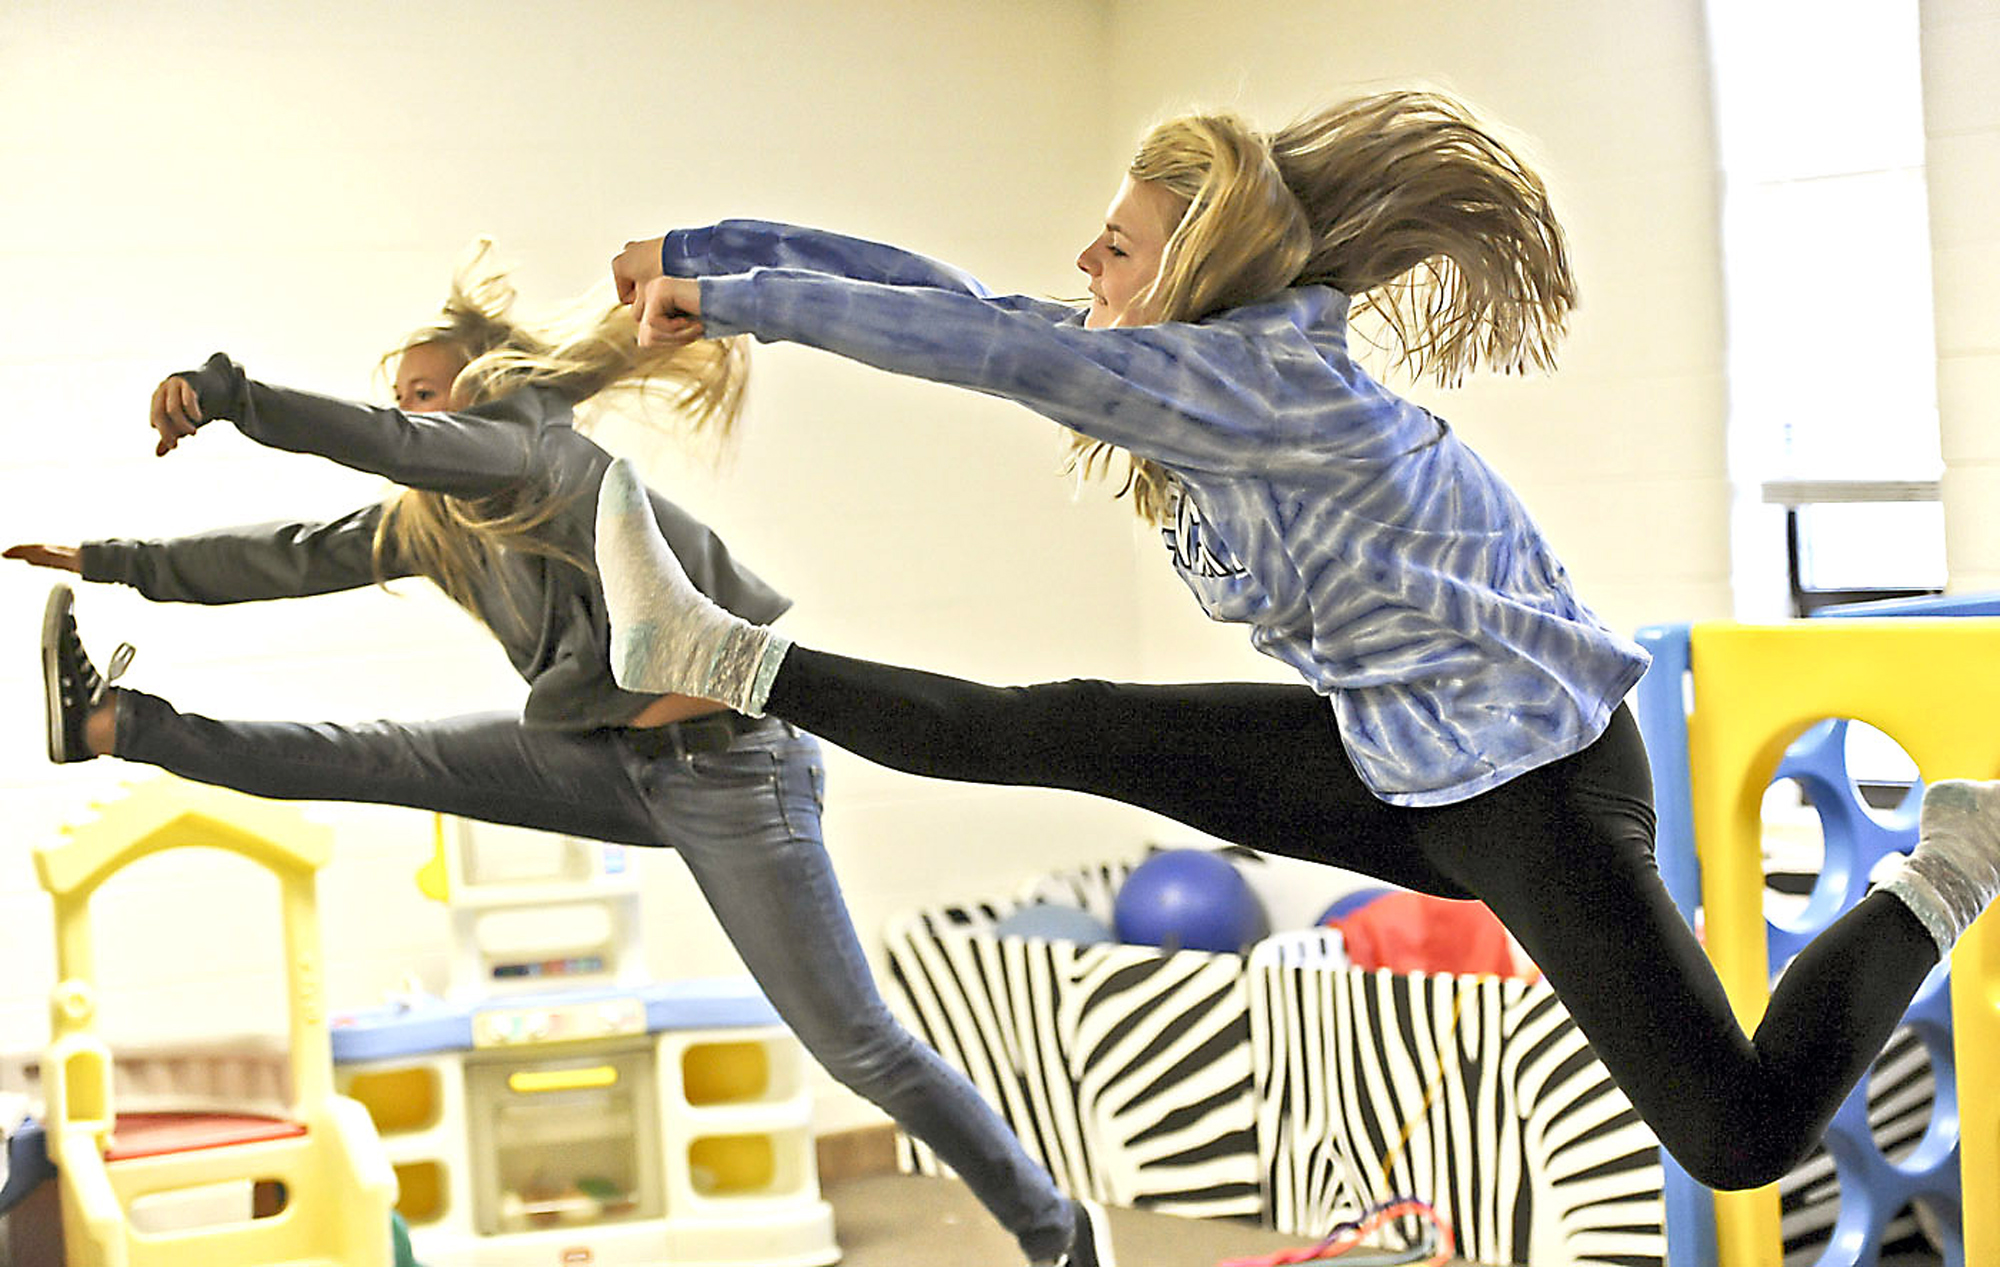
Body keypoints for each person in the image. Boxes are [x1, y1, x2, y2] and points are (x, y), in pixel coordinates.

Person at [589, 89, 2000, 1192]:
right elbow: (947, 303)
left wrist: (729, 306)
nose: (1086, 257)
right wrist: (701, 256)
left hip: (1538, 781)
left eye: (1120, 241)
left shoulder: (1244, 383)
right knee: (1060, 725)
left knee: (1738, 1129)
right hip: (1403, 757)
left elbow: (983, 355)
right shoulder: (1179, 368)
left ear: (1194, 267)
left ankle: (1957, 860)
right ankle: (707, 654)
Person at [8, 244, 1113, 1267]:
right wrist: (118, 562)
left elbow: (396, 444)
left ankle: (1057, 1231)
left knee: (857, 1046)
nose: (408, 414)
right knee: (376, 756)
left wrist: (237, 397)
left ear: (485, 385)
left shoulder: (535, 451)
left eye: (425, 391)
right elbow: (291, 558)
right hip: (605, 756)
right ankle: (116, 722)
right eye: (402, 398)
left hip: (732, 769)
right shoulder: (432, 524)